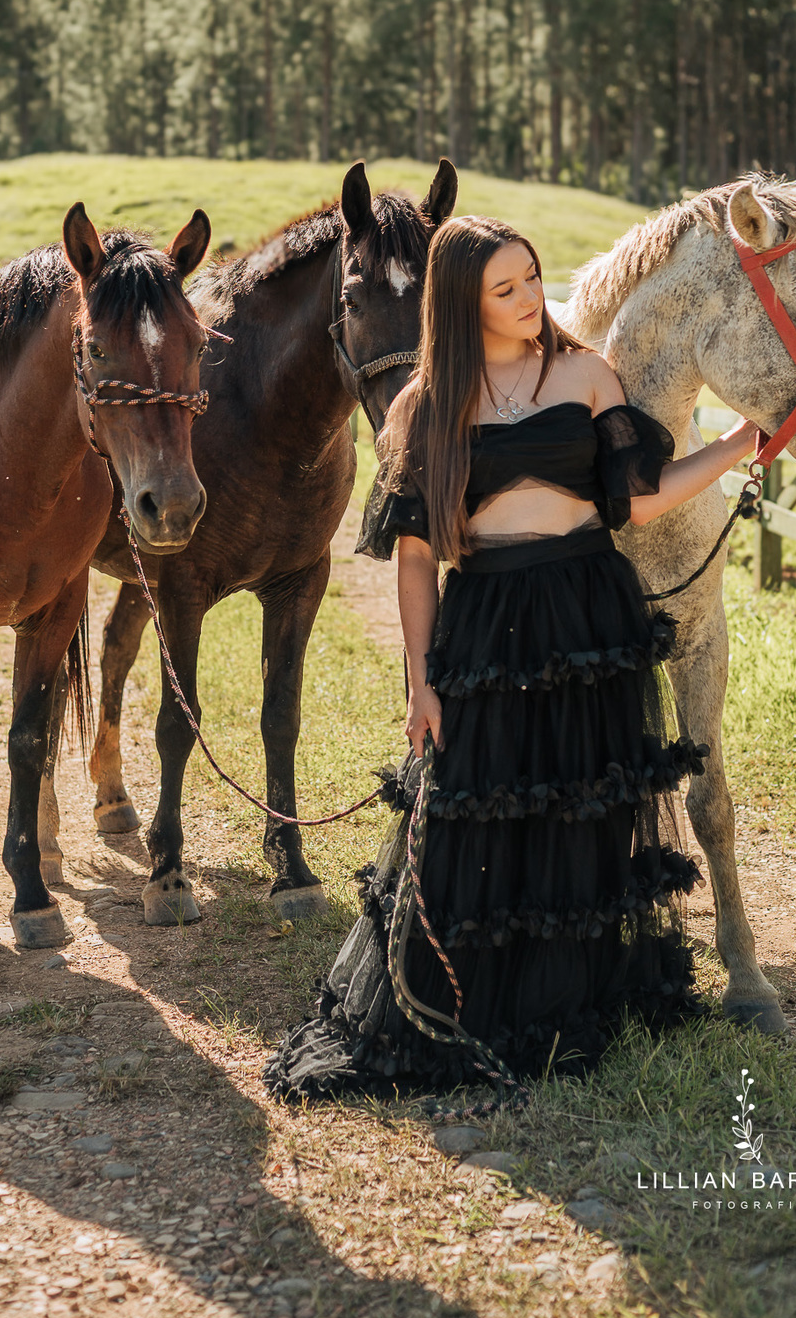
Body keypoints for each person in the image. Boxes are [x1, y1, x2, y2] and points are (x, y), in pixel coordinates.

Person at [264, 215, 759, 1103]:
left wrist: (731, 450)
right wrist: (419, 680)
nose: (531, 299)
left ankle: (576, 998)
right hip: (487, 620)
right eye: (507, 288)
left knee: (583, 807)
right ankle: (485, 1003)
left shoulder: (585, 373)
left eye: (533, 278)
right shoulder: (426, 404)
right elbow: (418, 558)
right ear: (463, 303)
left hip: (588, 607)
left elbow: (635, 502)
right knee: (480, 815)